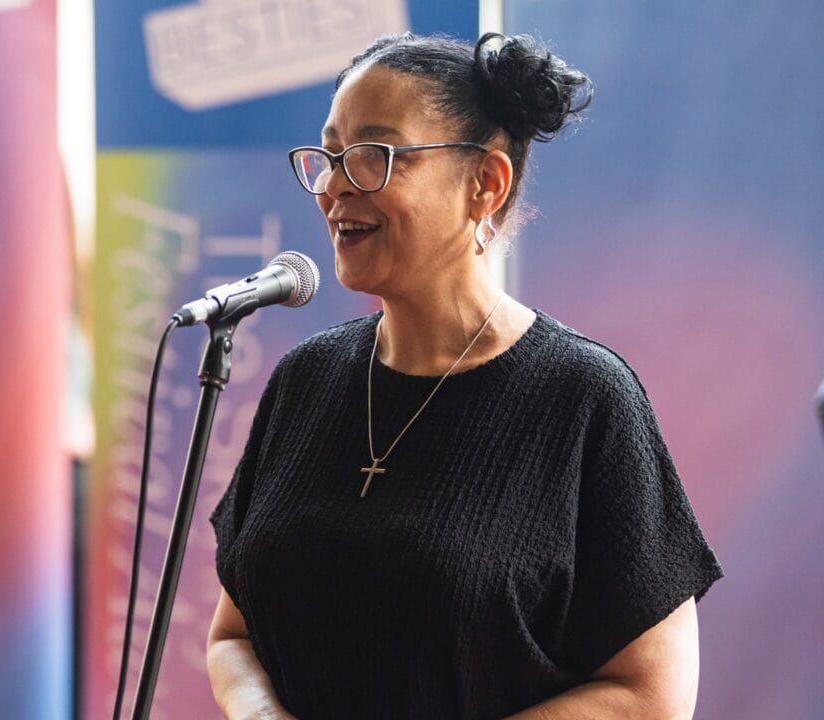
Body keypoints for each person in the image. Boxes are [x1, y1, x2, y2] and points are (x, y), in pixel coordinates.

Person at [205, 32, 723, 720]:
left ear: (486, 183)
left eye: (372, 155)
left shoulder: (584, 397)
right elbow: (231, 637)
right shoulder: (307, 379)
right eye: (329, 155)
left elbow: (651, 694)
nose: (333, 186)